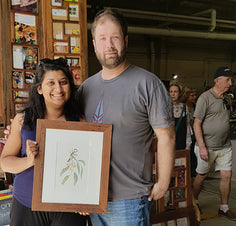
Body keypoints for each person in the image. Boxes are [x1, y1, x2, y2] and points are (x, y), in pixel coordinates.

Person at [77, 8, 175, 225]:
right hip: (94, 196)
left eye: (115, 38)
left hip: (129, 199)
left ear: (125, 40)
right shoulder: (86, 88)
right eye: (102, 39)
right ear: (94, 44)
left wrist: (163, 181)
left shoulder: (148, 84)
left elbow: (166, 137)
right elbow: (74, 136)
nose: (109, 45)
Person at [0, 58, 87, 226]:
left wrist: (85, 199)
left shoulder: (80, 121)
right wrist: (28, 160)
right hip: (27, 203)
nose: (58, 89)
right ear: (39, 88)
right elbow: (5, 162)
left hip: (67, 206)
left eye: (63, 82)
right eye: (51, 83)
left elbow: (87, 166)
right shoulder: (22, 120)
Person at [192, 66, 236, 221]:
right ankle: (194, 202)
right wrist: (202, 147)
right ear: (217, 80)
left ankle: (224, 208)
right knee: (201, 175)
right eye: (228, 80)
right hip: (207, 147)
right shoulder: (205, 98)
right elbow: (196, 124)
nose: (230, 83)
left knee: (227, 175)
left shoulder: (227, 98)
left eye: (231, 79)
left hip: (224, 146)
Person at [180, 87, 197, 178]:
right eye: (192, 95)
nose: (194, 97)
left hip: (194, 135)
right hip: (184, 135)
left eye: (194, 95)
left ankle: (192, 177)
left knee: (193, 157)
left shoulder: (195, 106)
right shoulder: (181, 107)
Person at [169, 83, 191, 151]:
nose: (173, 94)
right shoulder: (165, 108)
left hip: (181, 144)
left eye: (175, 92)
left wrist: (188, 145)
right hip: (168, 144)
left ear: (179, 93)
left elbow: (187, 126)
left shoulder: (184, 108)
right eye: (171, 92)